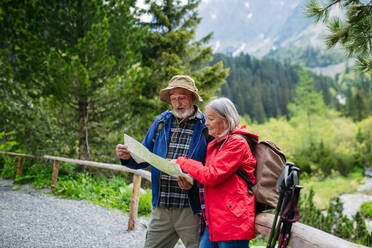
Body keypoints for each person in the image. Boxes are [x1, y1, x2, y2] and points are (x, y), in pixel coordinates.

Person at [115, 75, 208, 248]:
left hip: (191, 209)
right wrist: (127, 157)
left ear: (193, 98)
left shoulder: (205, 126)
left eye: (182, 98)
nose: (178, 103)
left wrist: (194, 182)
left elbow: (212, 168)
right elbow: (143, 158)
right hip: (161, 207)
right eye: (173, 99)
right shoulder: (161, 122)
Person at [175, 97, 258, 248]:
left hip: (232, 224)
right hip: (214, 221)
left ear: (226, 120)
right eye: (206, 118)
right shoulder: (215, 144)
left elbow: (211, 175)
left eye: (211, 119)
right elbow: (208, 176)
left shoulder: (237, 143)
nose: (206, 123)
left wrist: (183, 162)